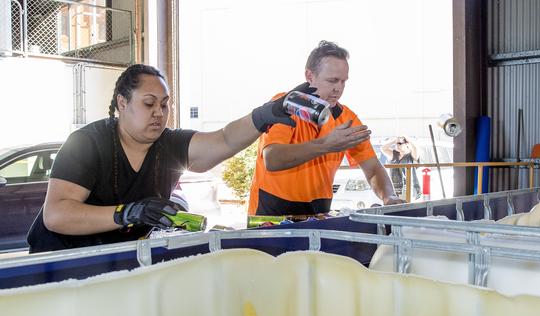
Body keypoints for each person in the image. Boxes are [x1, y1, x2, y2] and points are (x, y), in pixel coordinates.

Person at [27, 64, 307, 253]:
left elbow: (224, 139)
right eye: (149, 104)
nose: (159, 113)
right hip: (58, 258)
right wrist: (129, 213)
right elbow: (57, 215)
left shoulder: (169, 143)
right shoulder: (88, 142)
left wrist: (264, 115)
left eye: (165, 104)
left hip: (114, 257)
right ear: (122, 103)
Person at [248, 41, 403, 216]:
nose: (338, 88)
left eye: (343, 81)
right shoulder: (284, 105)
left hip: (318, 213)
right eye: (332, 80)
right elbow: (273, 159)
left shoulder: (347, 118)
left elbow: (373, 167)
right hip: (272, 211)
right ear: (309, 75)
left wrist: (389, 197)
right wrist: (325, 145)